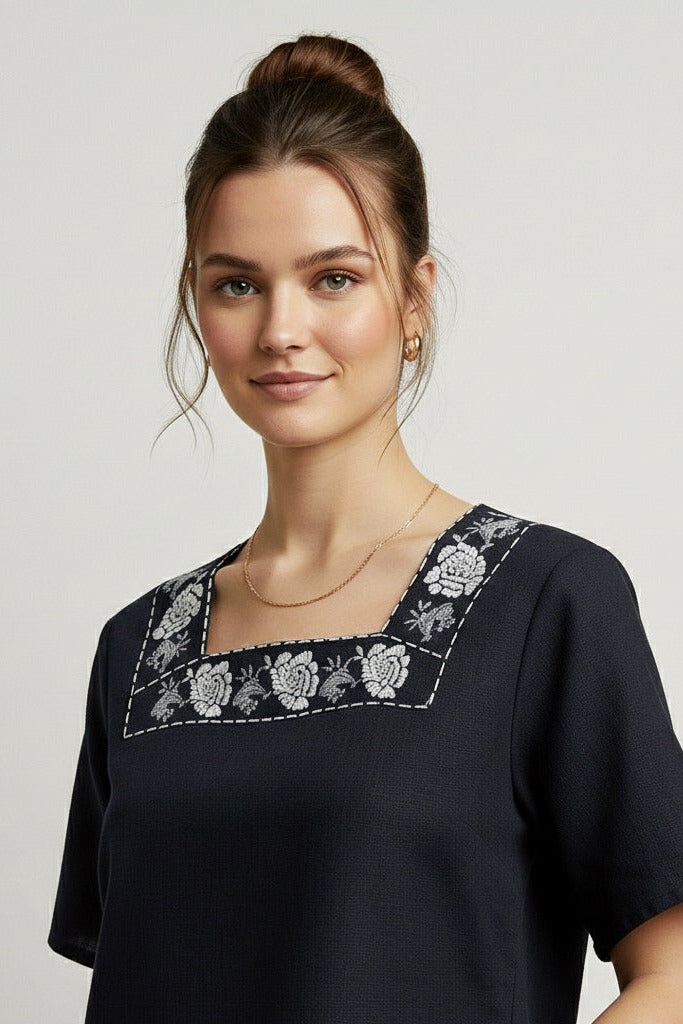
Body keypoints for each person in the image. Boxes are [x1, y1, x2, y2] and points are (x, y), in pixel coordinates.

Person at [47, 32, 683, 1024]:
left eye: (333, 278)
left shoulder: (542, 604)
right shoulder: (136, 649)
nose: (280, 330)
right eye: (237, 283)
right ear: (197, 306)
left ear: (413, 297)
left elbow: (672, 973)